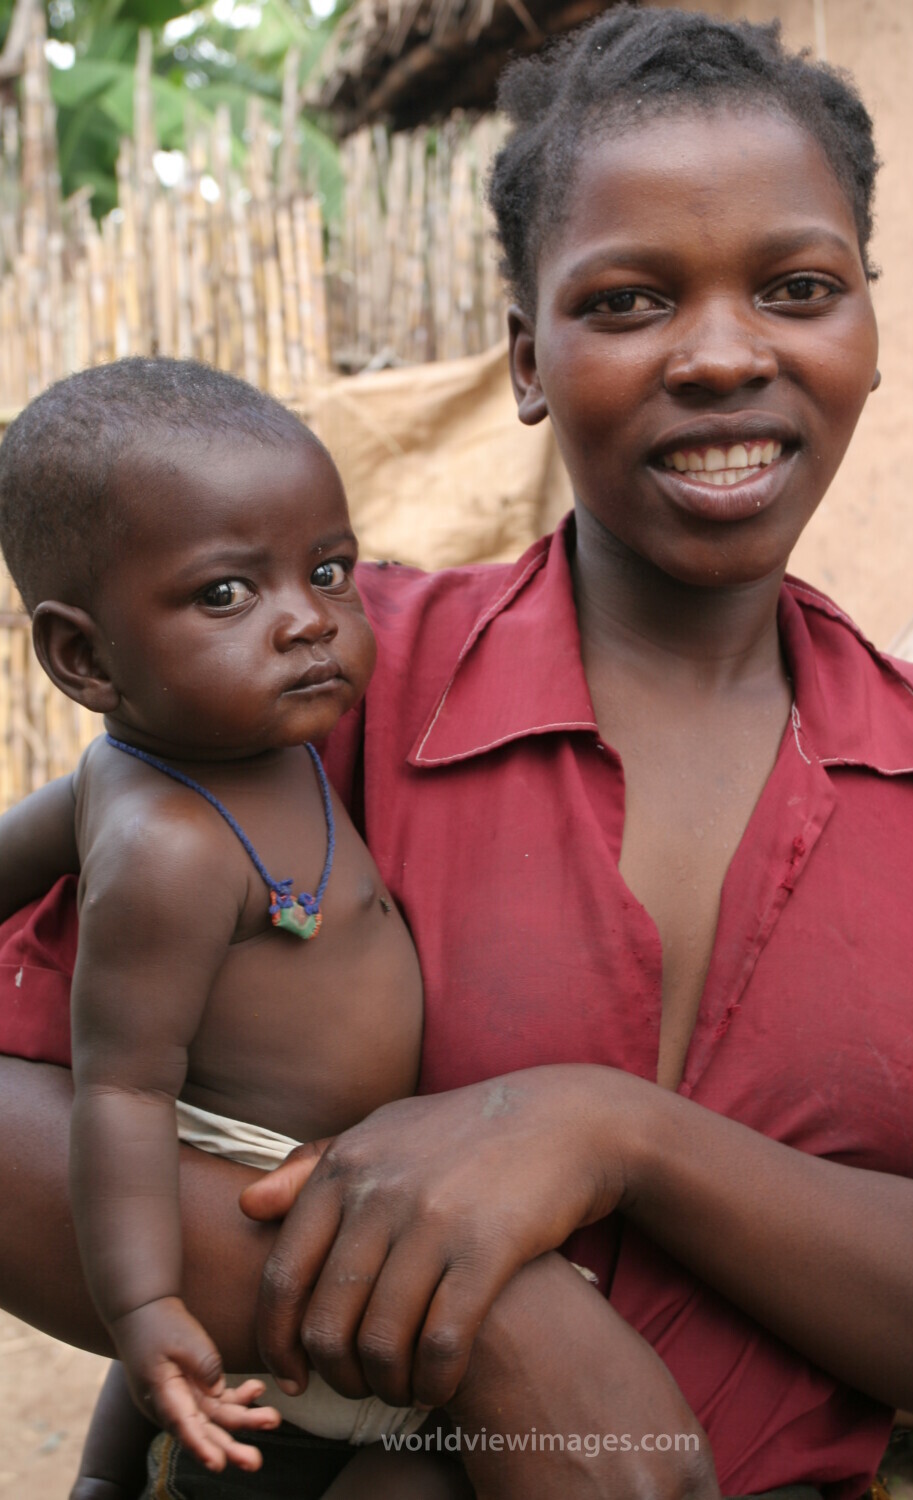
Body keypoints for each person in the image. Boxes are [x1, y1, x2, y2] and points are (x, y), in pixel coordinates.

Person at [0, 7, 913, 1499]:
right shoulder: (323, 692)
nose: (724, 355)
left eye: (798, 288)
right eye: (628, 302)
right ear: (528, 356)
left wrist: (615, 1138)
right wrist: (511, 1341)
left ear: (866, 332)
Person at [0, 359, 476, 1498]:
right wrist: (150, 1305)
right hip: (264, 1202)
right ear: (84, 658)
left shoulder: (192, 756)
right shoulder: (168, 848)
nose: (308, 620)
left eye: (328, 571)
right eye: (226, 596)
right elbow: (122, 1092)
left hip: (322, 1166)